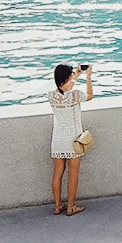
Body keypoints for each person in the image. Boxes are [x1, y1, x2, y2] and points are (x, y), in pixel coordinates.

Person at [49, 63, 93, 216]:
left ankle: (57, 206)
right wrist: (88, 77)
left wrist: (76, 75)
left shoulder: (51, 95)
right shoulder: (76, 95)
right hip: (73, 140)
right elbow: (90, 96)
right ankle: (70, 207)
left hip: (57, 139)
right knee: (73, 174)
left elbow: (64, 89)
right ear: (67, 78)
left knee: (57, 173)